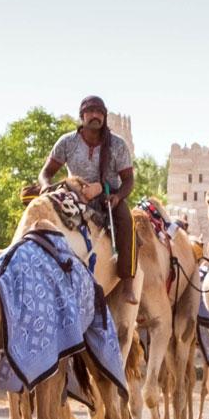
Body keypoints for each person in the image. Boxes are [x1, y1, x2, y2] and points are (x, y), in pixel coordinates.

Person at [41, 95, 138, 303]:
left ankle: (128, 282)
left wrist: (118, 197)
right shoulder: (67, 142)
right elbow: (45, 173)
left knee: (126, 221)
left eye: (99, 112)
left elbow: (129, 180)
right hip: (73, 194)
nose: (95, 116)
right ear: (82, 116)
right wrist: (46, 188)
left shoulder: (118, 145)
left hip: (106, 196)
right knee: (38, 209)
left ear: (104, 117)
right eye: (90, 111)